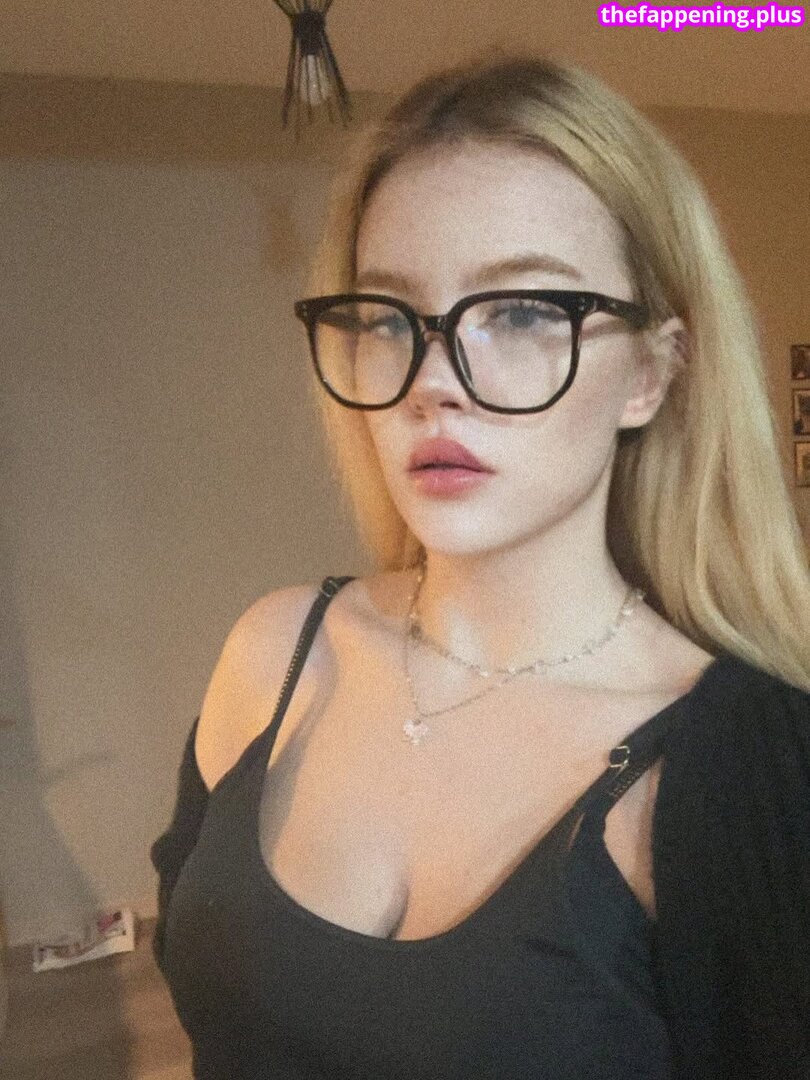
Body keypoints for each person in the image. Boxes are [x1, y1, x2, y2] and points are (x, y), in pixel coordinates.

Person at [150, 53, 810, 1080]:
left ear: (650, 372)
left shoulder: (744, 768)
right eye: (388, 318)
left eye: (524, 311)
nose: (433, 382)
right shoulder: (275, 656)